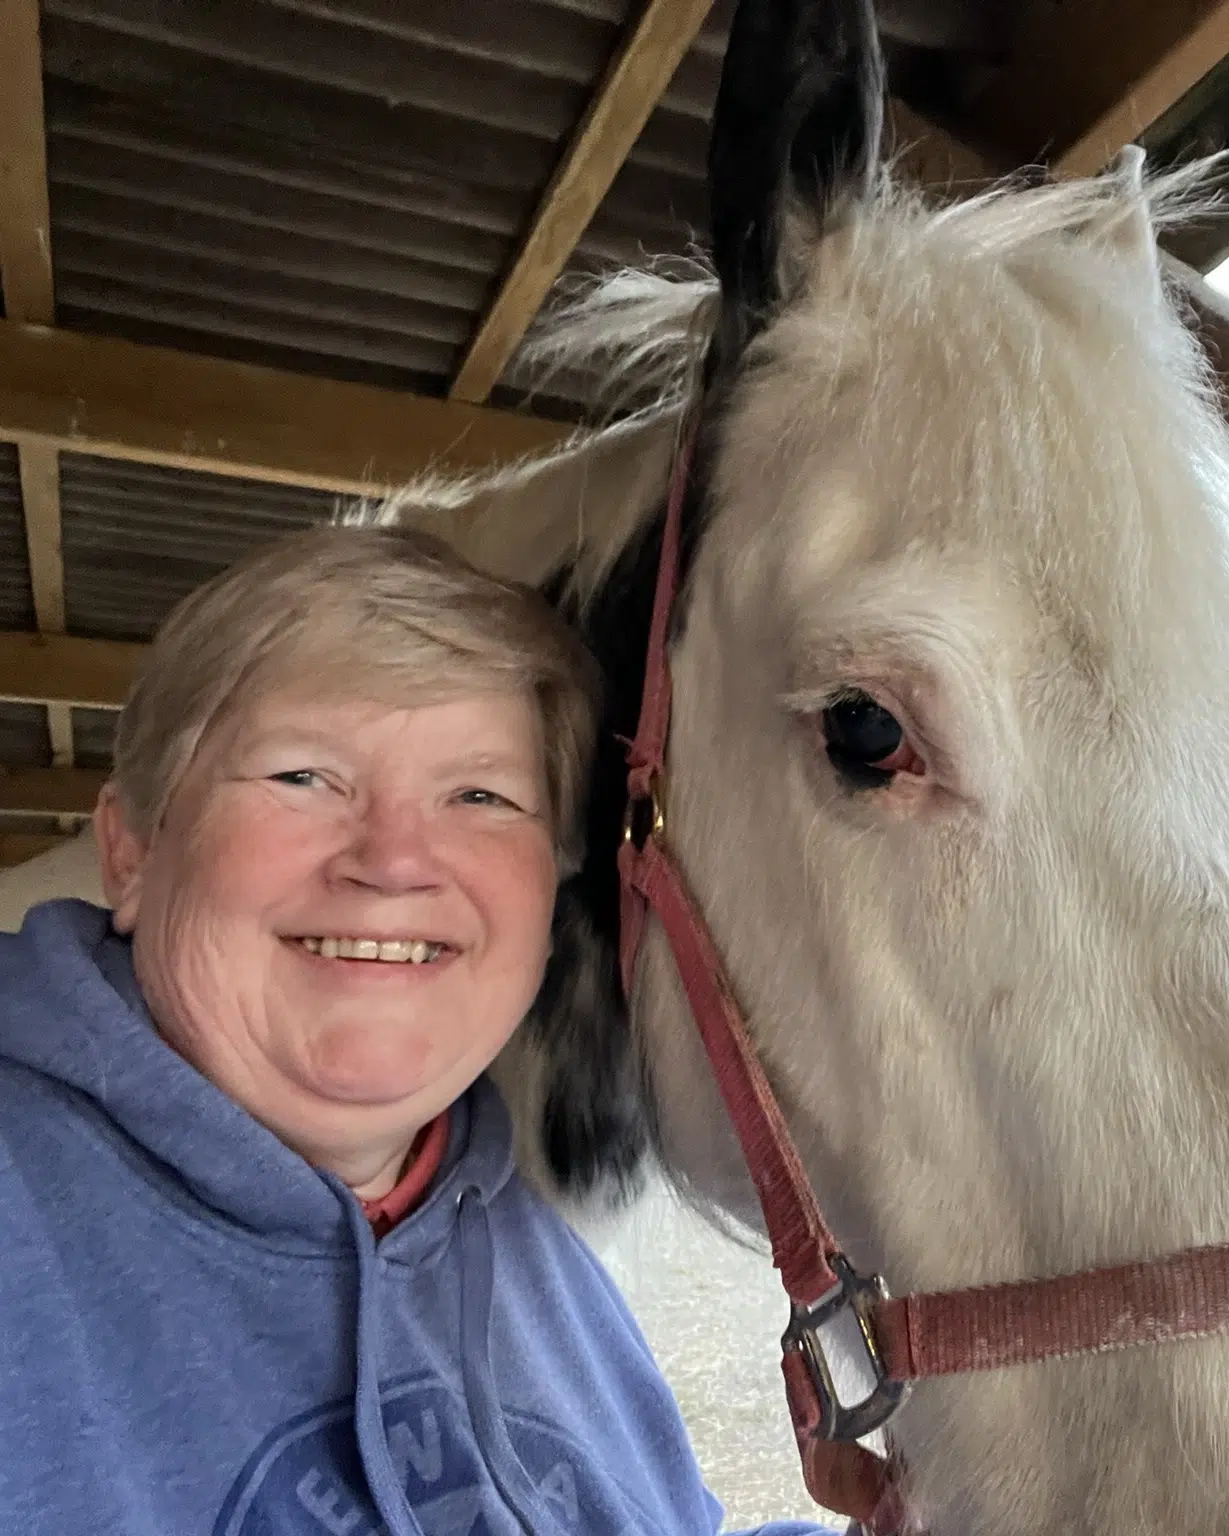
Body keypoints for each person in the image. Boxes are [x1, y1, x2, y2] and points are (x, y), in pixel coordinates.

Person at [0, 524, 834, 1536]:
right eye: (303, 776)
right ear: (130, 851)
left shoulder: (528, 1252)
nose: (394, 861)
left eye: (479, 795)